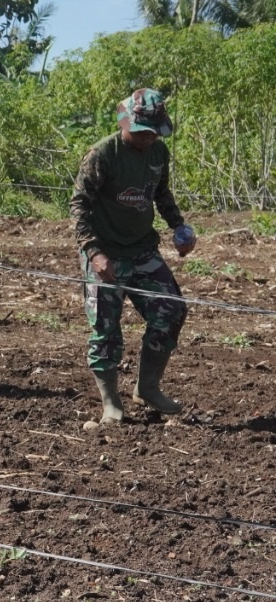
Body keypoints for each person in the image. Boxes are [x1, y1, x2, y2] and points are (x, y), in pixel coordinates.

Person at [71, 88, 195, 426]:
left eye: (154, 131)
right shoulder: (102, 154)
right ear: (126, 121)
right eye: (142, 130)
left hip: (142, 250)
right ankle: (111, 403)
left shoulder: (158, 153)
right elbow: (79, 204)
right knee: (106, 330)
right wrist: (94, 252)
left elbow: (160, 192)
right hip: (106, 252)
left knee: (171, 310)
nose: (148, 137)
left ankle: (147, 388)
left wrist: (178, 227)